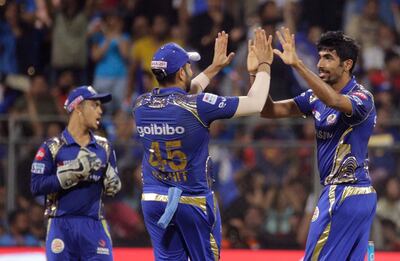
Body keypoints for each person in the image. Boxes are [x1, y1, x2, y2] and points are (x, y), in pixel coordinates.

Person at [133, 29, 273, 260]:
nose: (192, 70)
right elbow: (256, 102)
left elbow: (181, 95)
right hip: (191, 200)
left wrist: (214, 67)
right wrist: (265, 65)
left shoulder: (140, 105)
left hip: (153, 200)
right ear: (181, 73)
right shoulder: (198, 106)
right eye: (189, 66)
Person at [259, 27, 377, 260]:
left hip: (344, 193)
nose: (320, 63)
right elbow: (269, 110)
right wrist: (260, 71)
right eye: (320, 57)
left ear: (347, 64)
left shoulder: (362, 97)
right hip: (351, 195)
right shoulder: (314, 98)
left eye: (329, 58)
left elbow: (333, 100)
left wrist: (297, 65)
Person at [30, 85, 121, 260]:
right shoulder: (52, 147)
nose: (101, 111)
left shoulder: (105, 148)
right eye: (95, 105)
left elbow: (113, 187)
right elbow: (36, 186)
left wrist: (113, 184)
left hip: (94, 224)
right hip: (60, 225)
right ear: (78, 107)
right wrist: (69, 174)